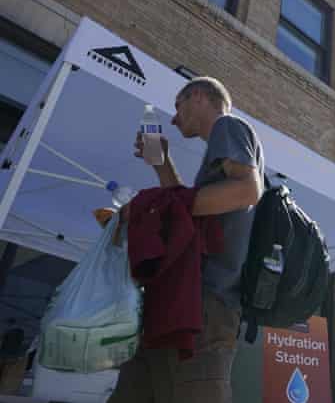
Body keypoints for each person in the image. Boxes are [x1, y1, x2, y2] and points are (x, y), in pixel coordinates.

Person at [109, 77, 264, 403]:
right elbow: (188, 215)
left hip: (206, 306)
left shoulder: (228, 125)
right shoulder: (218, 150)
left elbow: (247, 190)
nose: (174, 119)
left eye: (178, 106)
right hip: (179, 300)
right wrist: (162, 165)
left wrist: (146, 206)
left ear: (198, 96)